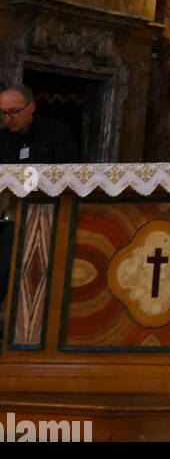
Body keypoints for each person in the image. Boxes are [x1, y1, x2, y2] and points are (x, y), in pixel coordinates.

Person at [0, 83, 80, 305]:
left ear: (31, 107)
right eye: (3, 113)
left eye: (14, 112)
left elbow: (69, 174)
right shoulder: (2, 139)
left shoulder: (57, 133)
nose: (8, 119)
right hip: (9, 212)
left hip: (48, 214)